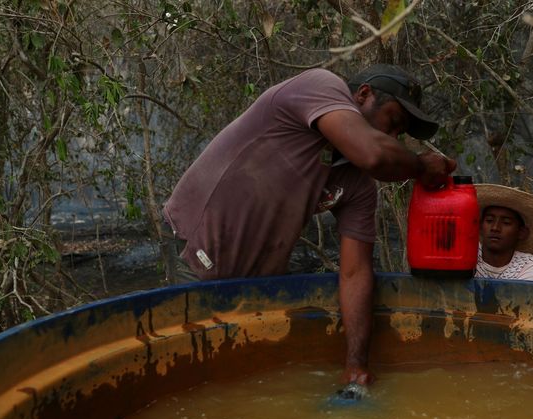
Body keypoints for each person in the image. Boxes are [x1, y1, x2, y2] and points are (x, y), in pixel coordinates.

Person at [161, 64, 456, 393]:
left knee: (248, 385)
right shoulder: (320, 86)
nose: (393, 138)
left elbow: (355, 272)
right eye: (393, 122)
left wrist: (355, 365)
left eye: (400, 134)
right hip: (198, 251)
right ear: (363, 95)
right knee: (199, 381)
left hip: (258, 279)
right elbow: (374, 153)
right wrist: (420, 166)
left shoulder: (357, 184)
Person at [474, 184, 533, 281]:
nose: (495, 228)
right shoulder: (466, 253)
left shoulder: (530, 264)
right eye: (489, 221)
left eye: (506, 223)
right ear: (480, 227)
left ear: (521, 232)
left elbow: (517, 295)